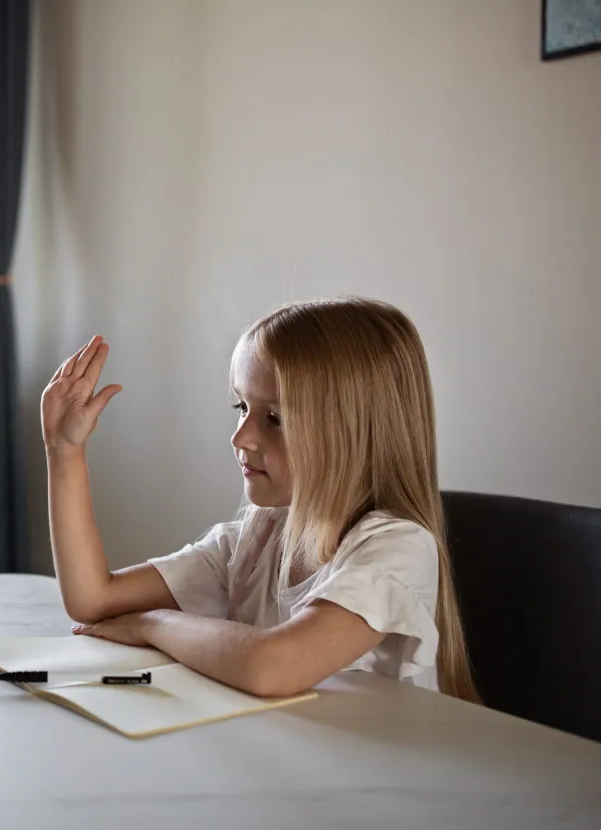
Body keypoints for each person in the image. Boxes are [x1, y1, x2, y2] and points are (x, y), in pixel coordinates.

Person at [41, 297, 478, 700]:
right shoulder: (259, 538)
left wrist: (151, 623)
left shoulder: (396, 549)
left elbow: (273, 667)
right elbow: (93, 600)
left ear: (353, 434)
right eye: (242, 409)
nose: (241, 437)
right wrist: (64, 452)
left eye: (275, 419)